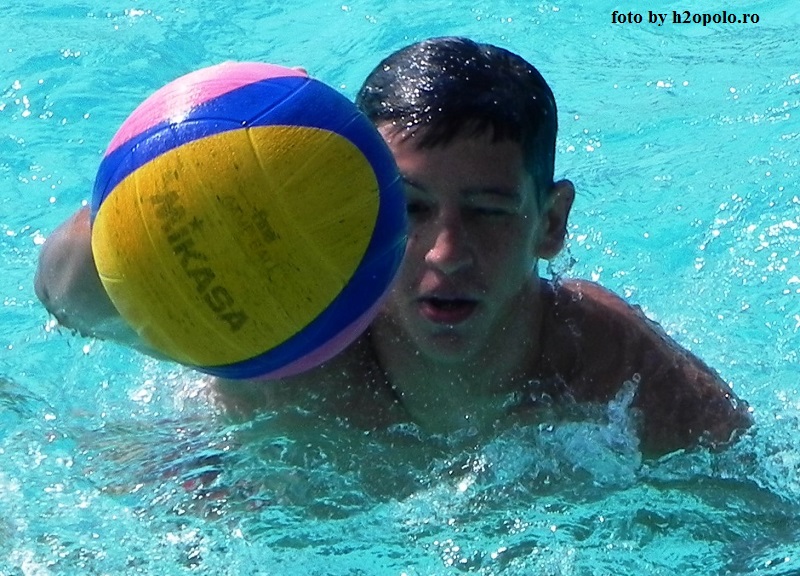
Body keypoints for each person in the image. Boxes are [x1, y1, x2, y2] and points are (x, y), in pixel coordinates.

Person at [34, 37, 752, 457]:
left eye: (489, 212)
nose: (446, 253)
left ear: (551, 222)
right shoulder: (291, 331)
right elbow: (67, 297)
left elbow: (763, 521)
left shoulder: (610, 371)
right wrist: (185, 174)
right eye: (410, 209)